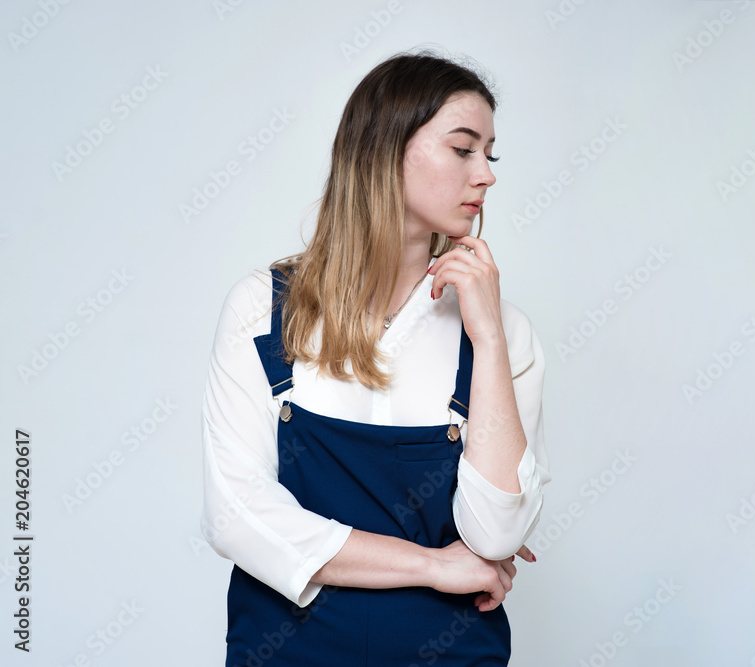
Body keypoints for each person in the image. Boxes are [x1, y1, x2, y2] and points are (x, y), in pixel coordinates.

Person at [199, 49, 552, 666]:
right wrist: (432, 565)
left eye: (490, 156)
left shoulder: (503, 332)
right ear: (384, 148)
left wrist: (489, 341)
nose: (486, 175)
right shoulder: (264, 310)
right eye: (463, 149)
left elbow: (496, 534)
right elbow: (236, 516)